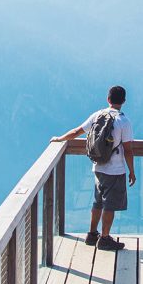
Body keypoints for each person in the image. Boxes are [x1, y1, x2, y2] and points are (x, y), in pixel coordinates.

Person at [50, 85, 136, 251]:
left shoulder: (98, 115)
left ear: (108, 99)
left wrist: (60, 139)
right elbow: (128, 149)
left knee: (98, 202)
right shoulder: (124, 121)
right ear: (124, 101)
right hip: (115, 170)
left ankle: (91, 234)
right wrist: (131, 171)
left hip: (98, 166)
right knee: (109, 205)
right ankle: (104, 238)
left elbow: (77, 131)